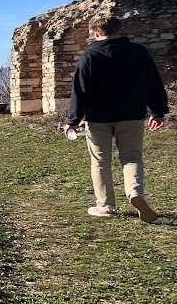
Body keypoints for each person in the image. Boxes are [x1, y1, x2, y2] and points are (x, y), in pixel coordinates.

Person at [61, 16, 168, 222]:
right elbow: (153, 83)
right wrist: (158, 111)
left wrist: (72, 120)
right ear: (119, 30)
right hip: (132, 115)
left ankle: (105, 205)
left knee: (100, 161)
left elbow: (80, 91)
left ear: (95, 32)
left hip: (98, 118)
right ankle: (135, 193)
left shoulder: (90, 56)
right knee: (132, 157)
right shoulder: (139, 52)